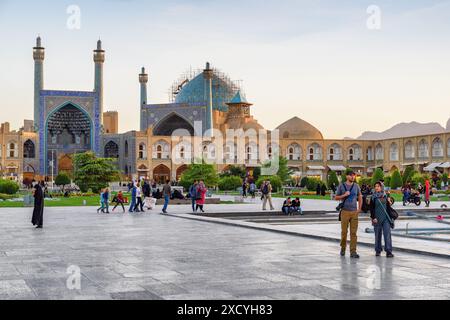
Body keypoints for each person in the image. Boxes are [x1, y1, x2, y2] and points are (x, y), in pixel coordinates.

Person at [335, 170, 363, 259]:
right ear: (347, 176)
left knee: (353, 233)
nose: (353, 177)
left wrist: (359, 208)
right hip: (345, 212)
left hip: (354, 212)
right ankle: (343, 248)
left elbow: (360, 196)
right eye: (351, 175)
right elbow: (336, 197)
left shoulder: (356, 186)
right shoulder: (342, 186)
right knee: (344, 232)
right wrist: (344, 195)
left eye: (354, 176)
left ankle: (353, 252)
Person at [369, 181, 394, 258]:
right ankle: (378, 250)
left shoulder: (385, 196)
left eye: (378, 186)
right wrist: (373, 218)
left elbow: (388, 208)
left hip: (385, 218)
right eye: (375, 186)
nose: (376, 188)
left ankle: (388, 251)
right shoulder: (373, 197)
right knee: (378, 235)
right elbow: (371, 209)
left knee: (387, 235)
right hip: (377, 218)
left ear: (381, 187)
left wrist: (389, 203)